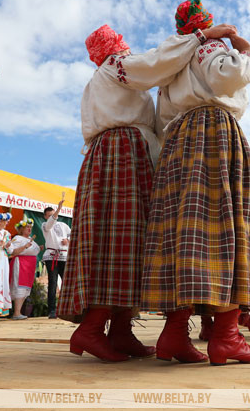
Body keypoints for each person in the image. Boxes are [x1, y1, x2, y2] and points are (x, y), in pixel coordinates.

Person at [58, 23, 233, 361]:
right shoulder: (117, 65)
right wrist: (199, 38)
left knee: (124, 242)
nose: (127, 48)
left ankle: (120, 331)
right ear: (115, 46)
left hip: (108, 154)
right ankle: (91, 329)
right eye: (122, 44)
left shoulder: (99, 78)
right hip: (124, 153)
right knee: (121, 241)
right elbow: (155, 64)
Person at [142, 0, 250, 366]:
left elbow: (160, 116)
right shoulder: (208, 47)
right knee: (227, 227)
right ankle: (227, 336)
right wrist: (246, 52)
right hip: (213, 131)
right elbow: (227, 76)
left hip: (177, 141)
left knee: (183, 234)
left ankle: (174, 334)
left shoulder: (173, 62)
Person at [42, 196, 71, 319]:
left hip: (64, 256)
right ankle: (52, 310)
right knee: (53, 283)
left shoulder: (63, 225)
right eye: (49, 215)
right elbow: (50, 223)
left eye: (53, 214)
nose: (52, 217)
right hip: (51, 256)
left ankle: (66, 308)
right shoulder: (45, 225)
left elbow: (72, 235)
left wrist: (68, 240)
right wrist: (59, 209)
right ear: (45, 216)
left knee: (67, 283)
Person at [8, 219, 41, 320]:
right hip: (21, 264)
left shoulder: (31, 239)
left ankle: (18, 312)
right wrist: (24, 247)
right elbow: (13, 252)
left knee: (25, 289)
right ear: (21, 229)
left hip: (29, 266)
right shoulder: (17, 238)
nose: (29, 229)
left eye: (30, 227)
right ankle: (16, 313)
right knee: (19, 287)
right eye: (27, 227)